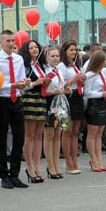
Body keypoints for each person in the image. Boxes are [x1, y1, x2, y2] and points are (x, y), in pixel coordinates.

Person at [0, 30, 30, 189]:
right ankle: (3, 174)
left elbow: (20, 78)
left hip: (17, 99)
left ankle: (15, 174)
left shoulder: (18, 58)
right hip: (2, 100)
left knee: (19, 137)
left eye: (13, 40)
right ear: (0, 42)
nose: (11, 44)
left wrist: (24, 82)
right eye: (8, 41)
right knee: (0, 138)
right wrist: (11, 85)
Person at [19, 40, 48, 183]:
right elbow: (22, 86)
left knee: (39, 135)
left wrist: (46, 82)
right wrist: (35, 83)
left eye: (36, 47)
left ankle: (37, 166)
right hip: (29, 99)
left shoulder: (41, 65)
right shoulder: (24, 65)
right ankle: (29, 166)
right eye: (31, 48)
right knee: (29, 135)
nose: (35, 49)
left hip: (41, 99)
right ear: (26, 50)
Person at [57, 40, 86, 174]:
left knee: (75, 131)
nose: (74, 52)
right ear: (65, 51)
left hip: (78, 96)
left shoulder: (76, 65)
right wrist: (74, 79)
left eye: (75, 50)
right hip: (68, 97)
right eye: (71, 50)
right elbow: (61, 84)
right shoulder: (62, 66)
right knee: (67, 130)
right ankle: (68, 161)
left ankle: (75, 160)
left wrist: (82, 78)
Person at [83, 50, 106, 172]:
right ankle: (93, 160)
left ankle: (99, 160)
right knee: (92, 133)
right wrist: (102, 94)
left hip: (102, 103)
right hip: (94, 104)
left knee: (100, 133)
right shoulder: (90, 74)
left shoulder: (103, 72)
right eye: (104, 59)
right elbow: (87, 92)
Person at [43, 47, 67, 179]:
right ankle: (50, 165)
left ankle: (56, 164)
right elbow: (43, 91)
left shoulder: (59, 71)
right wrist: (55, 92)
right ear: (47, 58)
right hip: (49, 102)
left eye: (57, 56)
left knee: (58, 133)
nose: (55, 58)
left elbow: (61, 86)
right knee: (49, 134)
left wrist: (65, 89)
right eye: (52, 56)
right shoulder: (45, 71)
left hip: (60, 103)